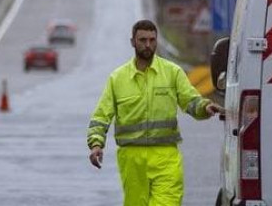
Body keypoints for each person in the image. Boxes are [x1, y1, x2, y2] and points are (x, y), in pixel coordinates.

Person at [87, 19, 221, 205]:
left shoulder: (172, 72)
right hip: (132, 159)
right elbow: (102, 116)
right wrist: (96, 144)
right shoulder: (118, 78)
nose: (148, 45)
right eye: (142, 40)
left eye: (152, 40)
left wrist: (204, 107)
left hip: (165, 156)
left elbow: (190, 100)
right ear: (133, 42)